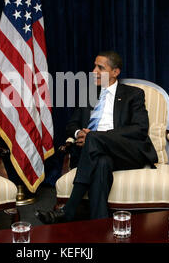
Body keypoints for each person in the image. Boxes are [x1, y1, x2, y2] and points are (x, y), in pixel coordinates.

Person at [35, 51, 157, 223]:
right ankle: (99, 225)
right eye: (94, 66)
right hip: (96, 154)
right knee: (102, 162)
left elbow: (139, 129)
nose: (94, 71)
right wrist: (79, 134)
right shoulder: (88, 94)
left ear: (115, 72)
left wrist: (95, 136)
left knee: (93, 139)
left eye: (101, 67)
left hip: (127, 153)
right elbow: (71, 125)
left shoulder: (134, 94)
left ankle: (69, 209)